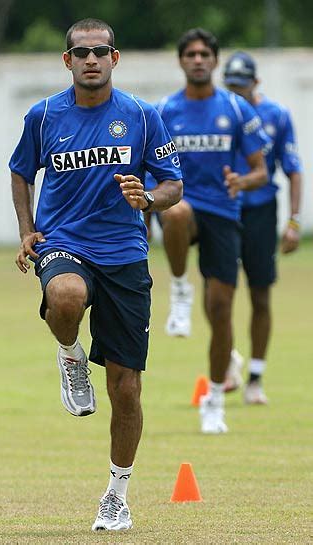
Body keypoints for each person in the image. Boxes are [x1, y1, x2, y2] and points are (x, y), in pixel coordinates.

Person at [9, 18, 182, 532]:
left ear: (115, 58)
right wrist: (27, 229)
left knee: (126, 388)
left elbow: (173, 184)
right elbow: (21, 170)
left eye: (100, 51)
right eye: (81, 52)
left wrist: (147, 199)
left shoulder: (142, 116)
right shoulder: (42, 117)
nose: (91, 59)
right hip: (63, 244)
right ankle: (70, 354)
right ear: (67, 61)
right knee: (64, 295)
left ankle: (116, 494)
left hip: (125, 254)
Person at [146, 28, 268, 434]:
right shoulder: (163, 110)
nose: (198, 60)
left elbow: (260, 169)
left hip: (222, 214)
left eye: (205, 54)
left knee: (221, 310)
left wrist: (242, 182)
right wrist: (145, 220)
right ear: (181, 61)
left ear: (215, 61)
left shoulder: (236, 109)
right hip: (180, 205)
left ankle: (215, 397)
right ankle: (180, 288)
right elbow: (146, 171)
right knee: (177, 213)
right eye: (191, 54)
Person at [223, 51, 302, 403]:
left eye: (242, 86)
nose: (236, 93)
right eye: (231, 87)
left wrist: (294, 221)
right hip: (224, 211)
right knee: (219, 294)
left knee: (260, 294)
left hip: (260, 212)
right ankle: (227, 362)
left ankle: (255, 376)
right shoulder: (217, 112)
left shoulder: (276, 115)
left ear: (256, 83)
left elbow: (293, 169)